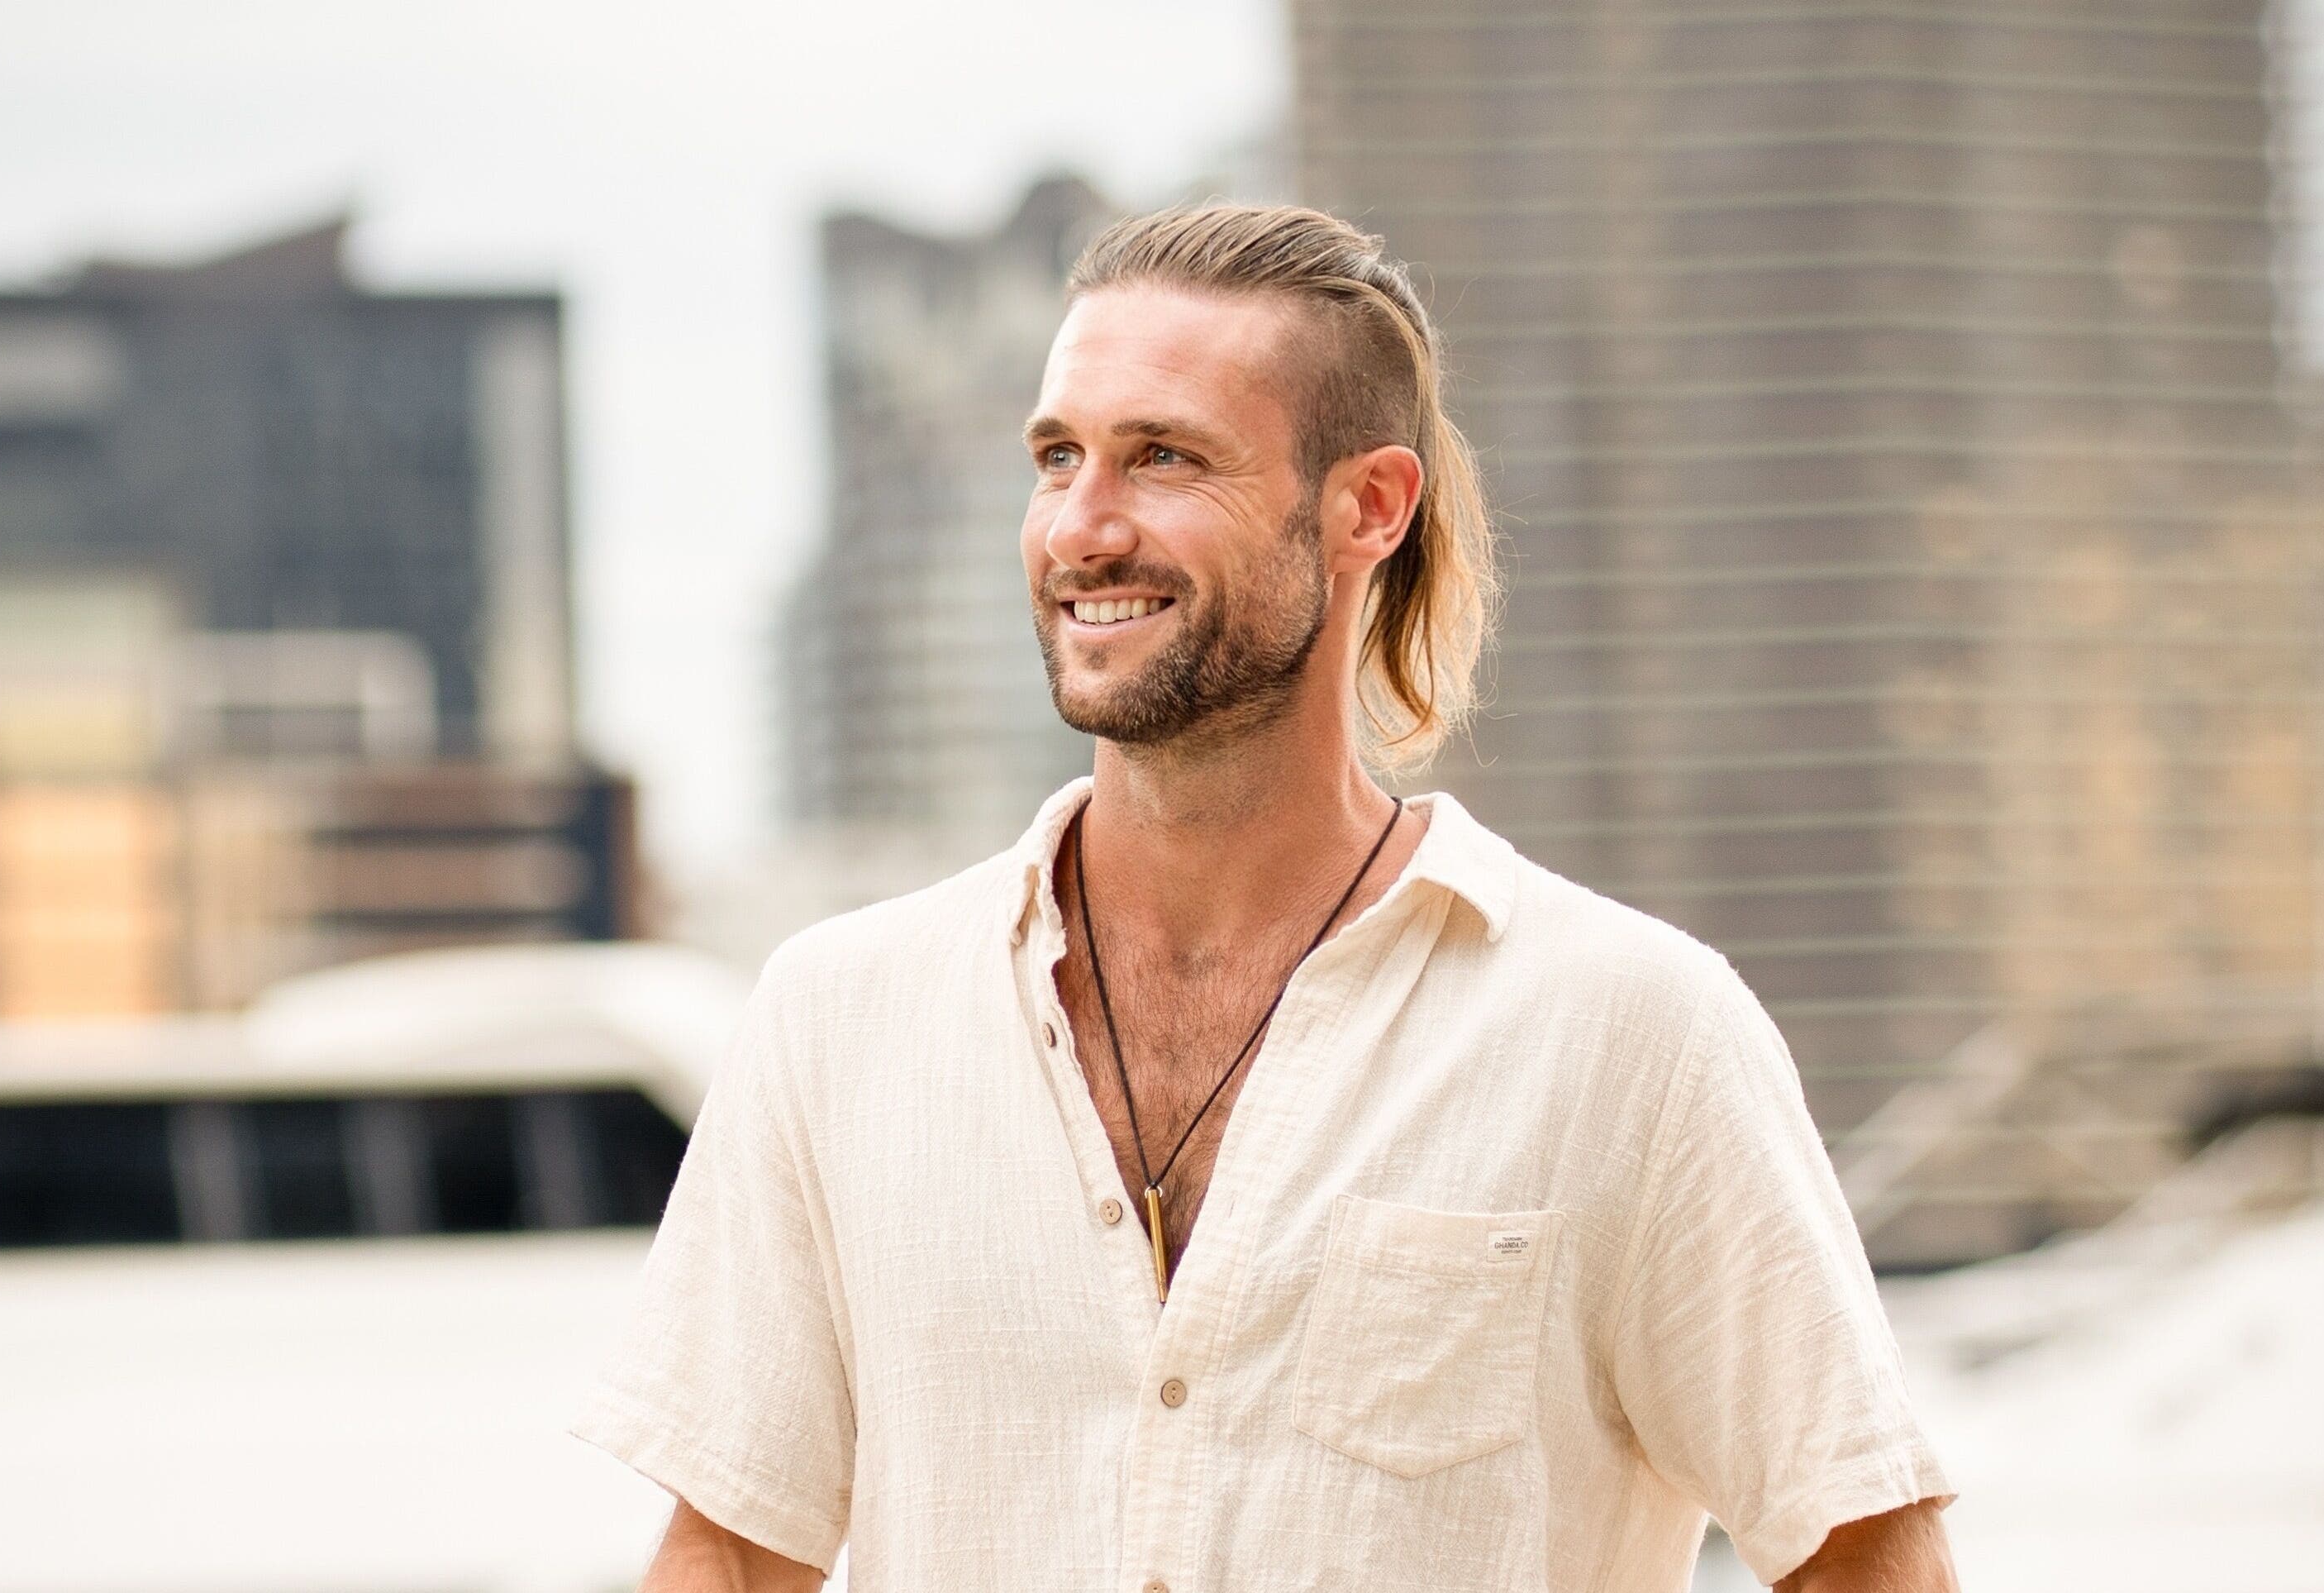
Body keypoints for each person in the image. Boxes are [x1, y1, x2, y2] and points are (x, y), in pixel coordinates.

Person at [574, 204, 1958, 1592]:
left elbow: (1861, 1556)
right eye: (1057, 457)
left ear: (1368, 507)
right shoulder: (840, 1019)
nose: (1081, 527)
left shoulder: (1632, 1032)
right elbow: (732, 1558)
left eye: (1162, 457)